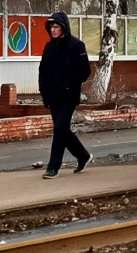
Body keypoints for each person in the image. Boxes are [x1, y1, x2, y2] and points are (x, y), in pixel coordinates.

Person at [38, 12, 92, 179]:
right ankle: (83, 156)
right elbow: (43, 72)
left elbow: (85, 71)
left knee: (60, 129)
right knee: (63, 131)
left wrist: (68, 85)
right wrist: (44, 93)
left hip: (68, 96)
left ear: (63, 27)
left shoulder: (76, 45)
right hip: (53, 97)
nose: (53, 30)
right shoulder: (49, 47)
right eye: (51, 27)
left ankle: (53, 167)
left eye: (56, 27)